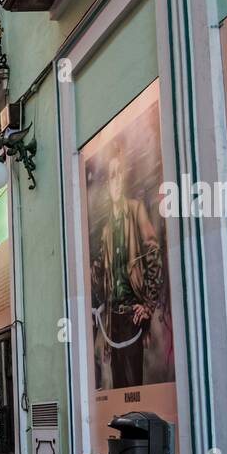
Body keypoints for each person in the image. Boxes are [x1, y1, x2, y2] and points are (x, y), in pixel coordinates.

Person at [91, 141, 164, 388]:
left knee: (135, 387)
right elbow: (103, 281)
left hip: (134, 316)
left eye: (119, 173)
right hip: (115, 321)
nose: (116, 180)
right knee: (119, 386)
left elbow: (152, 252)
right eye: (111, 175)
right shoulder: (107, 230)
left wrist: (148, 304)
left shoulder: (135, 210)